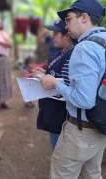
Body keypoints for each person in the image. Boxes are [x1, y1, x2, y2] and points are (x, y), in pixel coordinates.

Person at [40, 0, 106, 179]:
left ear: (84, 17)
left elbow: (84, 100)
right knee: (93, 174)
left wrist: (56, 83)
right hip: (103, 125)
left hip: (82, 130)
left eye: (69, 19)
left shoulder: (85, 48)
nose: (67, 25)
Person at [35, 20, 74, 149]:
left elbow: (65, 87)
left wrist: (43, 78)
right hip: (53, 113)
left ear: (67, 36)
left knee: (59, 149)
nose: (52, 37)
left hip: (60, 116)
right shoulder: (62, 52)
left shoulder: (72, 57)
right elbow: (54, 74)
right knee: (55, 145)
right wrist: (43, 73)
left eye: (56, 33)